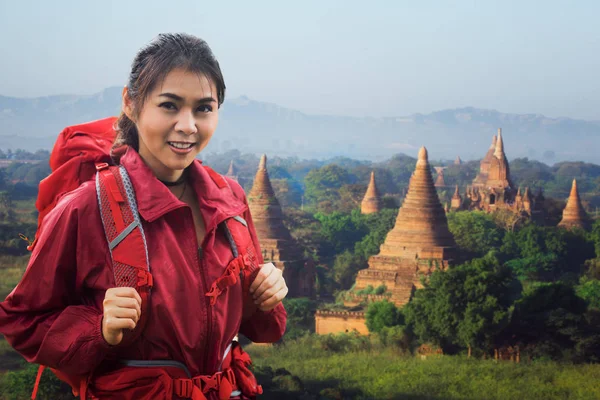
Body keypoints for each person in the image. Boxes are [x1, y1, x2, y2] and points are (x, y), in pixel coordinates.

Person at [0, 33, 288, 399]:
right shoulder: (86, 206)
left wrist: (267, 296)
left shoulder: (229, 200)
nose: (188, 125)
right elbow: (23, 321)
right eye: (169, 105)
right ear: (131, 104)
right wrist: (99, 329)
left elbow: (262, 328)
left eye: (204, 108)